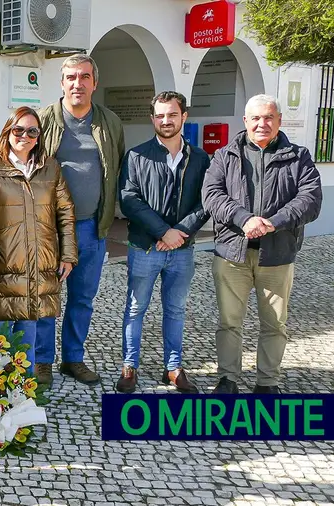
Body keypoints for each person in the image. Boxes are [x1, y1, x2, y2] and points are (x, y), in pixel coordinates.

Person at [202, 94, 322, 394]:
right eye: (255, 118)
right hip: (232, 253)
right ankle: (228, 378)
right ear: (245, 121)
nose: (262, 124)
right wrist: (244, 219)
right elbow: (212, 195)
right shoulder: (225, 155)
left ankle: (267, 382)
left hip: (277, 254)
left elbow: (310, 199)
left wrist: (274, 221)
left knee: (275, 324)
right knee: (229, 321)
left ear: (279, 120)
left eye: (268, 117)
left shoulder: (299, 157)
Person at [36, 54, 124, 386]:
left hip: (91, 227)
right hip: (50, 230)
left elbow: (116, 167)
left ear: (94, 83)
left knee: (82, 298)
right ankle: (41, 360)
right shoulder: (44, 119)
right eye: (71, 77)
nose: (78, 83)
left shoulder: (110, 122)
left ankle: (73, 359)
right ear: (62, 82)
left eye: (84, 77)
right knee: (46, 296)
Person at [0, 106, 77, 376]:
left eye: (32, 131)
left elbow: (65, 213)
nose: (25, 136)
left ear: (39, 135)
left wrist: (67, 254)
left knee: (27, 340)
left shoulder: (50, 168)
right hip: (2, 268)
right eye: (18, 130)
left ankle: (23, 400)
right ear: (8, 131)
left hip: (37, 270)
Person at [116, 91, 210, 394]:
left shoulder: (200, 159)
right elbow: (130, 199)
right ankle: (129, 367)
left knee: (176, 310)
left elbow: (206, 201)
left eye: (172, 114)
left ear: (184, 116)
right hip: (145, 247)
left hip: (182, 249)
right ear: (152, 118)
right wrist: (162, 232)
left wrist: (179, 232)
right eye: (159, 115)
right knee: (135, 308)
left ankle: (173, 369)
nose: (165, 120)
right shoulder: (137, 155)